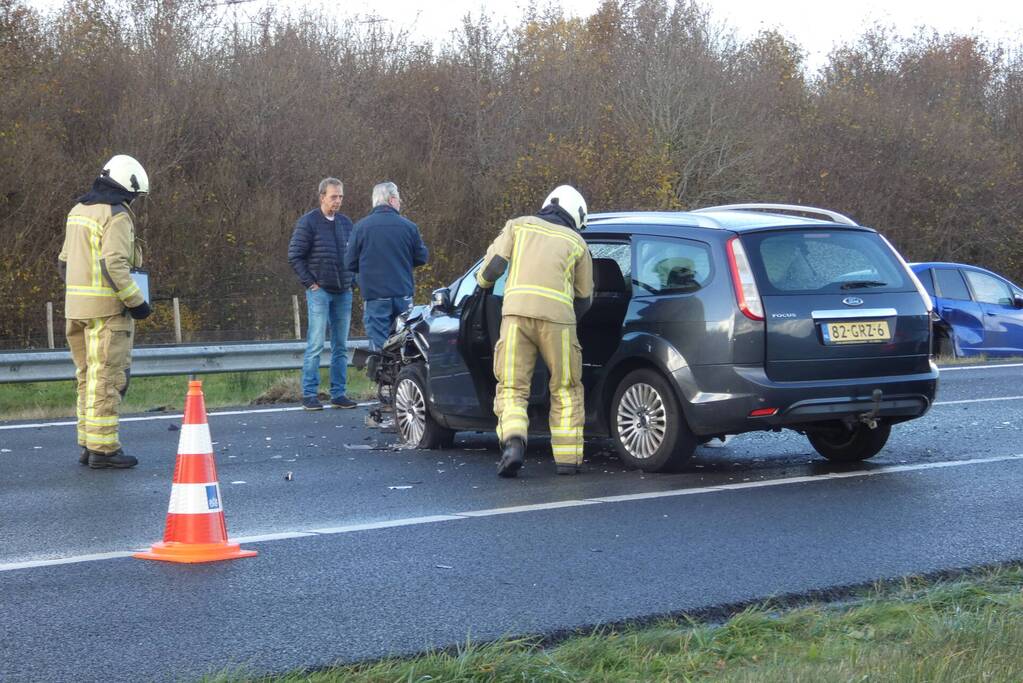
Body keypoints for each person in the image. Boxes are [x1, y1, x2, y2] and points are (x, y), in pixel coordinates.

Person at [476, 185, 593, 478]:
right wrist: (568, 321)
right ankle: (568, 461)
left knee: (513, 386)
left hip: (515, 317)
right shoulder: (577, 242)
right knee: (566, 387)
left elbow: (492, 268)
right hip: (559, 322)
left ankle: (514, 443)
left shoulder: (518, 227)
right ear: (576, 214)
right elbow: (585, 296)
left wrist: (481, 287)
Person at [59, 155, 152, 469]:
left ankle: (88, 443)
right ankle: (104, 450)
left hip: (75, 310)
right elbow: (113, 263)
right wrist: (135, 302)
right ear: (128, 186)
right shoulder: (116, 215)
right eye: (135, 196)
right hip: (107, 313)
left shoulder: (78, 210)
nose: (133, 202)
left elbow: (63, 263)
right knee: (108, 379)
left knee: (87, 378)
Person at [288, 177, 357, 410]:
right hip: (320, 291)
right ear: (322, 197)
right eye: (333, 196)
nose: (337, 201)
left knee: (341, 346)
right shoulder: (308, 223)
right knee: (316, 344)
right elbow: (295, 255)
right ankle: (310, 394)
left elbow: (355, 257)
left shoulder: (347, 223)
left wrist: (352, 281)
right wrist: (310, 283)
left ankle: (339, 393)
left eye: (340, 196)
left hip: (343, 291)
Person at [346, 182, 429, 351]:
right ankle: (404, 375)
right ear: (392, 200)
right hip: (402, 293)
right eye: (398, 199)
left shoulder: (360, 228)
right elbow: (421, 258)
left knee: (381, 345)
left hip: (375, 296)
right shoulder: (409, 227)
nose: (400, 203)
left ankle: (385, 375)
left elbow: (349, 263)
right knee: (405, 341)